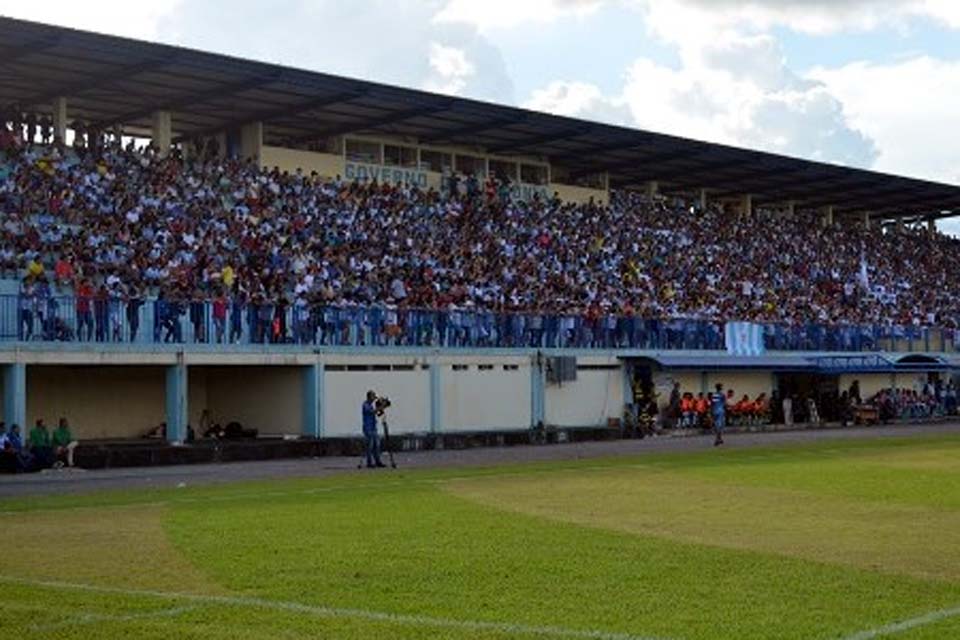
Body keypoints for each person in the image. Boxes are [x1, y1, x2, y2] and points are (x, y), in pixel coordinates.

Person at [362, 390, 385, 468]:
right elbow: (371, 412)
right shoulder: (365, 405)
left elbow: (377, 414)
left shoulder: (371, 405)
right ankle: (369, 462)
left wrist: (381, 410)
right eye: (373, 397)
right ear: (369, 397)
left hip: (373, 427)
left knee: (377, 445)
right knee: (370, 446)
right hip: (368, 428)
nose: (374, 399)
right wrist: (380, 408)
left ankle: (378, 461)